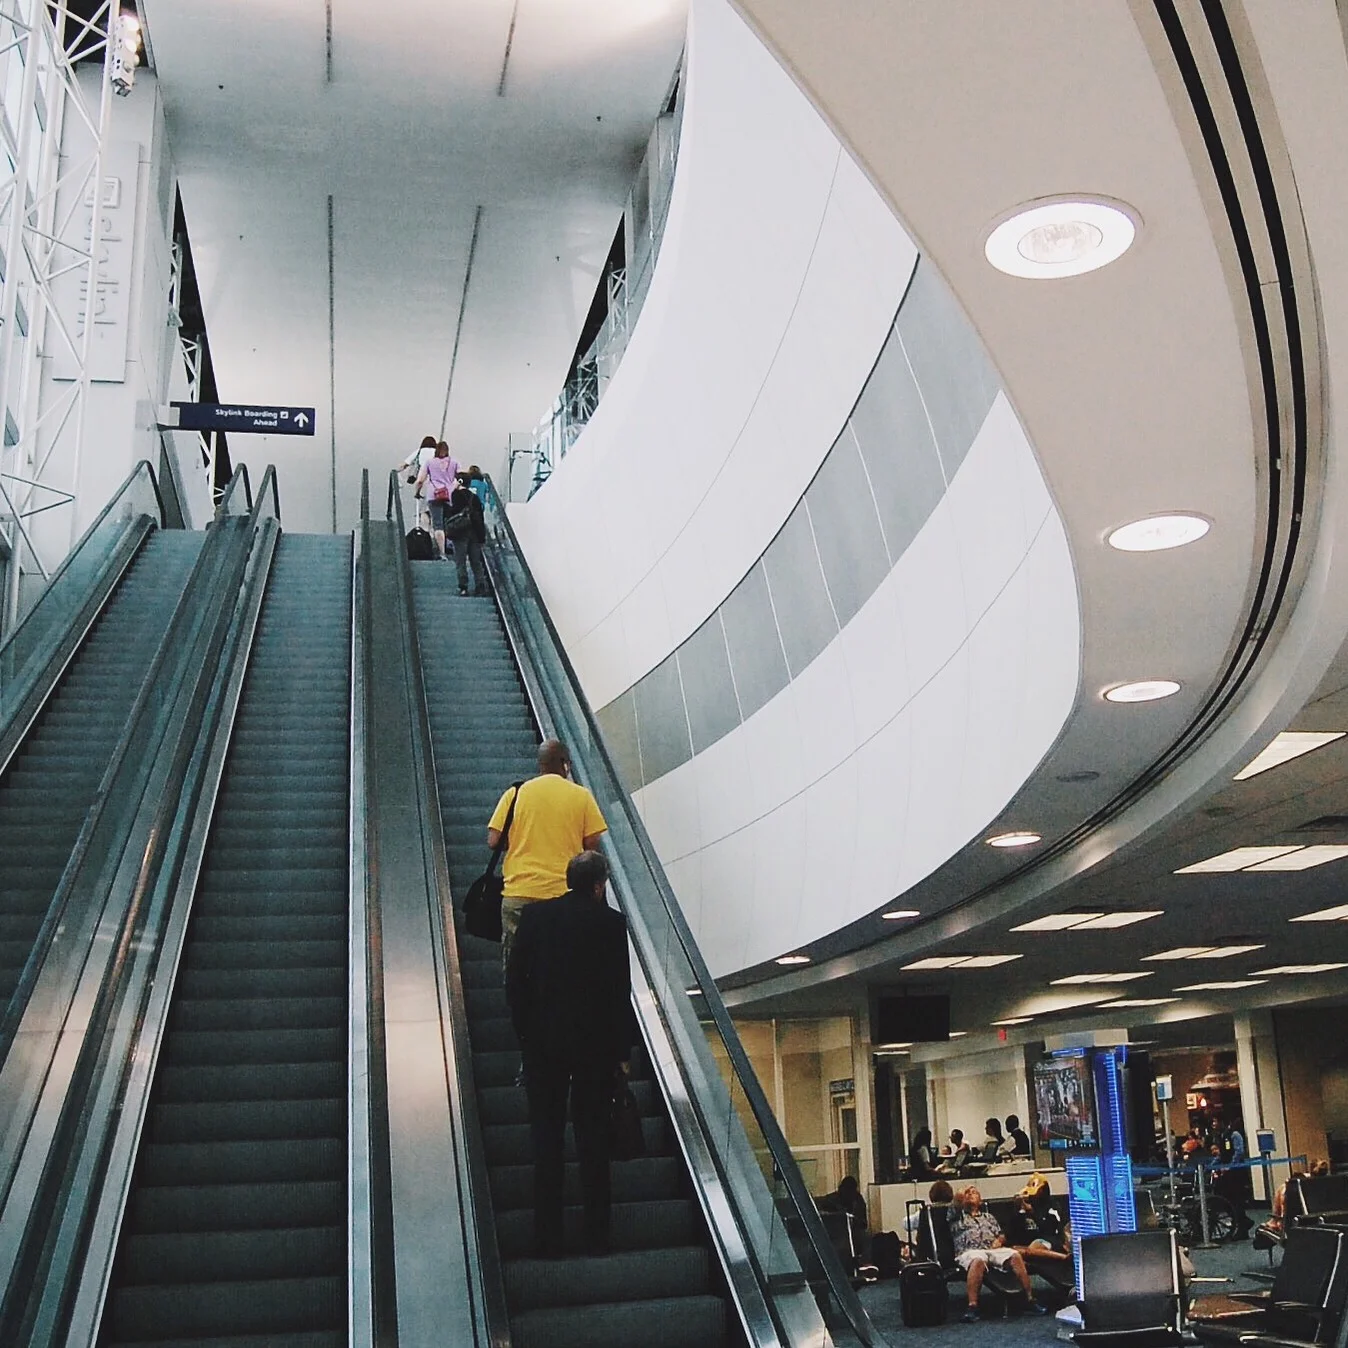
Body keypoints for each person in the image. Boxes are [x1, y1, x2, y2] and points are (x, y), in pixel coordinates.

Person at [506, 850, 636, 1257]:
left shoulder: (535, 918)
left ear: (568, 880)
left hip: (543, 1049)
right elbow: (619, 992)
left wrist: (526, 1035)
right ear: (599, 885)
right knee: (593, 1141)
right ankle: (597, 1237)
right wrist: (622, 1052)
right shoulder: (611, 924)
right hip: (595, 1052)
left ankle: (548, 1239)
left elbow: (515, 982)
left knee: (547, 1141)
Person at [487, 739, 607, 972]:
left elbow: (493, 840)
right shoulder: (581, 796)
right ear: (565, 764)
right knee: (561, 965)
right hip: (564, 895)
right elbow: (592, 847)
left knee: (517, 966)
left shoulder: (515, 794)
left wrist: (522, 838)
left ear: (540, 764)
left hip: (520, 894)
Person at [949, 1185, 1048, 1321]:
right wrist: (965, 1189)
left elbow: (1001, 1234)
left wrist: (999, 1240)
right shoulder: (956, 1216)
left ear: (980, 1201)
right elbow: (956, 1200)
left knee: (1015, 1255)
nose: (970, 1194)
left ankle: (1029, 1300)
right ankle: (973, 1307)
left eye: (974, 1193)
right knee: (978, 1260)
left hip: (992, 1250)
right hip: (969, 1251)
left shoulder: (988, 1217)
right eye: (968, 1193)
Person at [414, 441, 464, 560]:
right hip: (450, 496)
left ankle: (442, 553)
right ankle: (453, 549)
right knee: (450, 523)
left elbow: (420, 481)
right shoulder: (455, 462)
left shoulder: (429, 462)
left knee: (438, 525)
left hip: (434, 496)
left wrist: (417, 493)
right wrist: (455, 487)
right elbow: (462, 478)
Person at [445, 472, 487, 596]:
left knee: (460, 560)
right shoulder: (475, 498)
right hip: (474, 532)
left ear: (460, 481)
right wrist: (482, 537)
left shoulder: (455, 495)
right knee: (476, 561)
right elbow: (480, 518)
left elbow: (452, 512)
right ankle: (480, 586)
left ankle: (463, 587)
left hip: (460, 531)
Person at [820, 1174, 871, 1264]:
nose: (848, 1193)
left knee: (866, 1238)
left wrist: (853, 1219)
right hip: (836, 1233)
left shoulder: (858, 1200)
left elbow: (863, 1223)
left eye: (851, 1190)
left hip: (854, 1231)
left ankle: (864, 1263)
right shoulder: (831, 1200)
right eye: (846, 1190)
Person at [398, 434, 439, 529]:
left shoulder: (419, 451)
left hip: (423, 482)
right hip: (437, 484)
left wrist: (396, 471)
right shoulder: (437, 453)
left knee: (423, 510)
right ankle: (434, 530)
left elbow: (405, 464)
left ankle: (425, 530)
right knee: (434, 510)